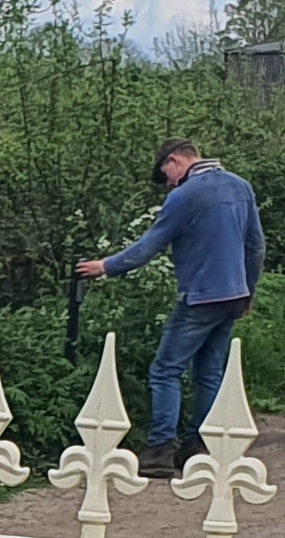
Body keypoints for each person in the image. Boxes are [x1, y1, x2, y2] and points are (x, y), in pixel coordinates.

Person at [79, 140, 266, 463]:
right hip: (234, 295)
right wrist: (248, 289)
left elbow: (150, 245)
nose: (168, 182)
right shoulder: (241, 187)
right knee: (209, 372)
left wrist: (106, 266)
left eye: (166, 174)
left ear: (176, 161)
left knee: (166, 370)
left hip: (200, 297)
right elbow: (256, 246)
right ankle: (197, 445)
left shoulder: (184, 196)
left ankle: (160, 449)